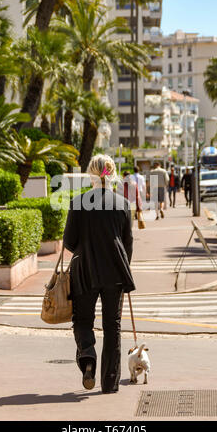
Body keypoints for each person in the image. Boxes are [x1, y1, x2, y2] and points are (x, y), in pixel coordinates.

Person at [63, 154, 135, 394]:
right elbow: (127, 244)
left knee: (83, 320)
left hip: (84, 271)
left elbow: (69, 242)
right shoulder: (122, 204)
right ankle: (110, 381)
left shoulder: (78, 202)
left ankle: (87, 358)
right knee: (112, 326)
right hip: (114, 272)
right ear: (112, 174)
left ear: (90, 175)